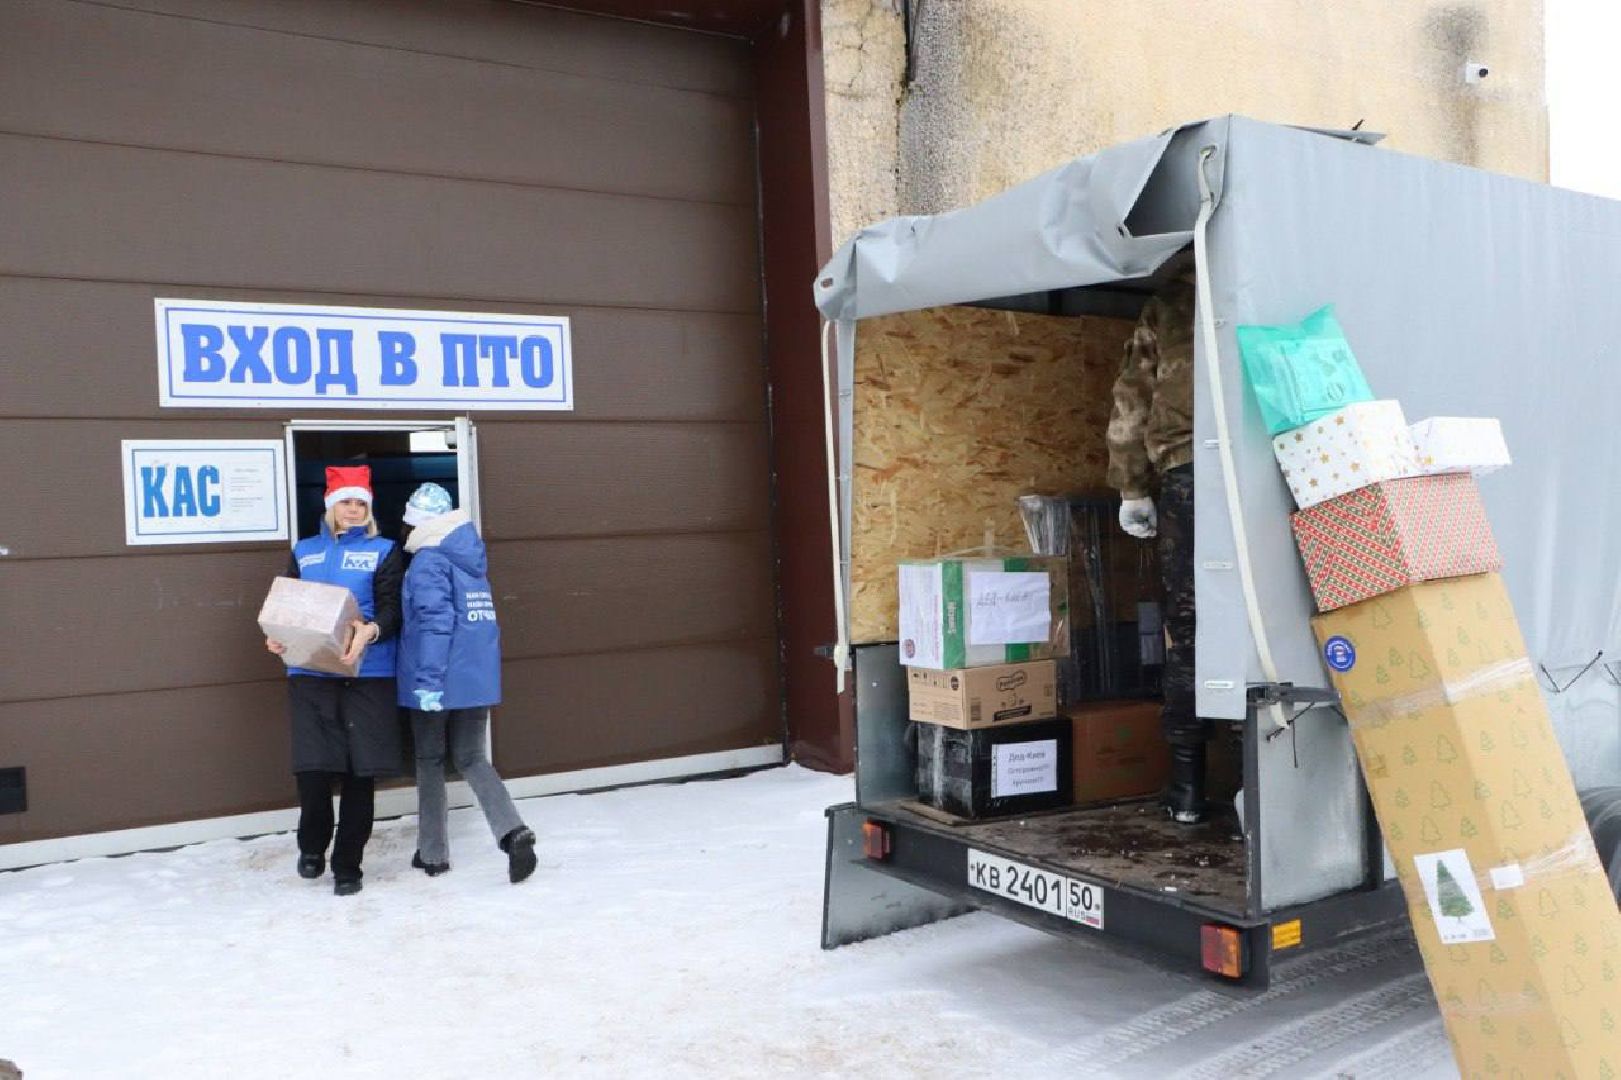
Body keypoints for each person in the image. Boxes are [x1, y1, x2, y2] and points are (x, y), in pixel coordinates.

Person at [264, 465, 404, 895]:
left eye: (361, 502)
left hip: (368, 674)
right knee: (314, 769)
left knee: (361, 774)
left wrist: (370, 631)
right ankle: (311, 847)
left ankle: (348, 866)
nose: (355, 509)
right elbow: (284, 605)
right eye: (347, 501)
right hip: (310, 674)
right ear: (330, 507)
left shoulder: (385, 550)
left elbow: (393, 608)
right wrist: (277, 636)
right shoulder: (304, 551)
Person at [1105, 267, 1208, 824]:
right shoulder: (1278, 269)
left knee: (1189, 631)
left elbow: (1132, 402)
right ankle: (1256, 792)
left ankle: (1189, 787)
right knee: (1264, 628)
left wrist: (1132, 486)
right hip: (1266, 472)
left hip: (1188, 473)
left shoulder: (1170, 302)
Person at [397, 482, 537, 884]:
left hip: (436, 681)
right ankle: (512, 832)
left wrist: (427, 682)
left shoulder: (428, 562)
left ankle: (433, 853)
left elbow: (436, 625)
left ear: (417, 524)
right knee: (473, 758)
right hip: (473, 681)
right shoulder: (470, 561)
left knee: (430, 760)